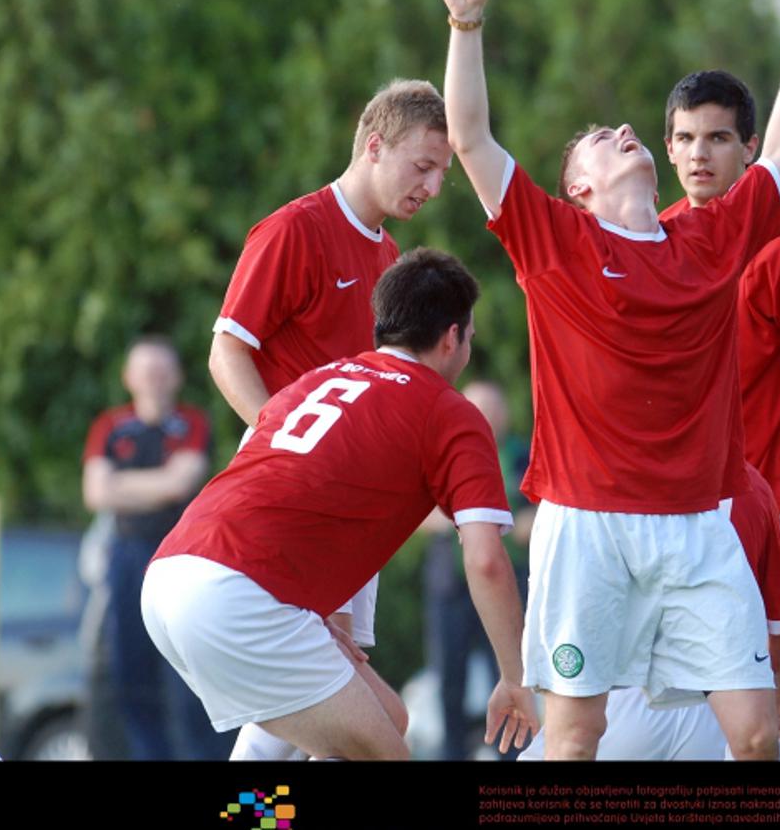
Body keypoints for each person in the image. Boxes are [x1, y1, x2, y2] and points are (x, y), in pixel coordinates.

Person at [441, 0, 780, 759]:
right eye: (598, 136)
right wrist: (465, 20)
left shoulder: (710, 239)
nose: (625, 128)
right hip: (587, 524)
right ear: (578, 188)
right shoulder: (552, 241)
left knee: (757, 736)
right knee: (577, 734)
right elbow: (470, 138)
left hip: (698, 525)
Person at [141, 250, 537, 760]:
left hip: (172, 576)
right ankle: (242, 817)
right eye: (470, 336)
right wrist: (514, 677)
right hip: (239, 594)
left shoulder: (319, 379)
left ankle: (249, 815)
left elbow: (270, 478)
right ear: (451, 337)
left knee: (386, 719)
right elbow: (485, 559)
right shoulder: (449, 411)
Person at [209, 78, 450, 759]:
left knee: (339, 720)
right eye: (423, 167)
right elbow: (227, 350)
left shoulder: (386, 258)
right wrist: (282, 443)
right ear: (375, 146)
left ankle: (262, 817)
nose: (432, 187)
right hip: (292, 508)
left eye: (442, 174)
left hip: (346, 511)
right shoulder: (294, 228)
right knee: (319, 710)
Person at [660, 70, 780, 727]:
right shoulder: (657, 237)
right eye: (685, 138)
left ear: (751, 147)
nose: (699, 154)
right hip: (699, 509)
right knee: (696, 703)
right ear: (667, 147)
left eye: (717, 138)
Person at [517, 463, 780, 761]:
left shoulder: (603, 471)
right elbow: (779, 646)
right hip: (723, 714)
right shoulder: (754, 487)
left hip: (625, 705)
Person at [82, 336, 228, 759]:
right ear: (129, 378)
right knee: (131, 675)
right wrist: (157, 485)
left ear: (178, 377)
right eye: (146, 372)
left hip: (180, 559)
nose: (155, 382)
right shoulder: (110, 427)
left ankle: (235, 798)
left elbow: (182, 481)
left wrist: (121, 485)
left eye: (162, 372)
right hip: (126, 559)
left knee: (186, 678)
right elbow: (95, 491)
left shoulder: (193, 422)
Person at [422, 379, 533, 760]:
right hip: (450, 584)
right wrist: (469, 525)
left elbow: (544, 509)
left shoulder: (521, 455)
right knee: (448, 676)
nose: (485, 417)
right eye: (477, 408)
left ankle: (513, 754)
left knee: (507, 670)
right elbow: (418, 514)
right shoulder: (443, 455)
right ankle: (452, 753)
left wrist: (526, 525)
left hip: (508, 581)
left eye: (492, 408)